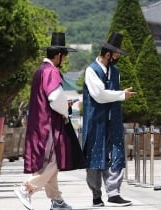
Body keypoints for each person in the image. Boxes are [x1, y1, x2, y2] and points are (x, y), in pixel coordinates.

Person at [14, 32, 80, 210]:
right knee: (55, 160)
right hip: (49, 124)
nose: (64, 60)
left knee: (49, 162)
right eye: (64, 56)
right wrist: (66, 108)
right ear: (58, 55)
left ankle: (57, 200)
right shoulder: (51, 71)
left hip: (39, 123)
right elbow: (55, 98)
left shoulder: (40, 70)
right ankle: (26, 188)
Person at [82, 32, 136, 207]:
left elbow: (110, 93)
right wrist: (121, 95)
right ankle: (96, 196)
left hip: (113, 121)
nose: (118, 57)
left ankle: (114, 193)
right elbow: (99, 95)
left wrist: (121, 94)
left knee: (116, 154)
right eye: (117, 54)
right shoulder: (91, 70)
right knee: (94, 157)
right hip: (96, 122)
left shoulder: (115, 71)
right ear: (108, 54)